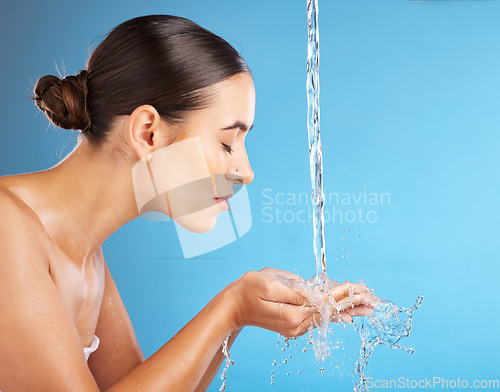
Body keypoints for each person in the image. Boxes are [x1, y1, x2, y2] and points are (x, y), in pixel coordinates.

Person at [0, 14, 376, 391]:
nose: (246, 173)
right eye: (227, 143)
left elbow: (138, 385)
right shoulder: (7, 228)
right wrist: (230, 308)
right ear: (148, 133)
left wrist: (246, 311)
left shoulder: (85, 256)